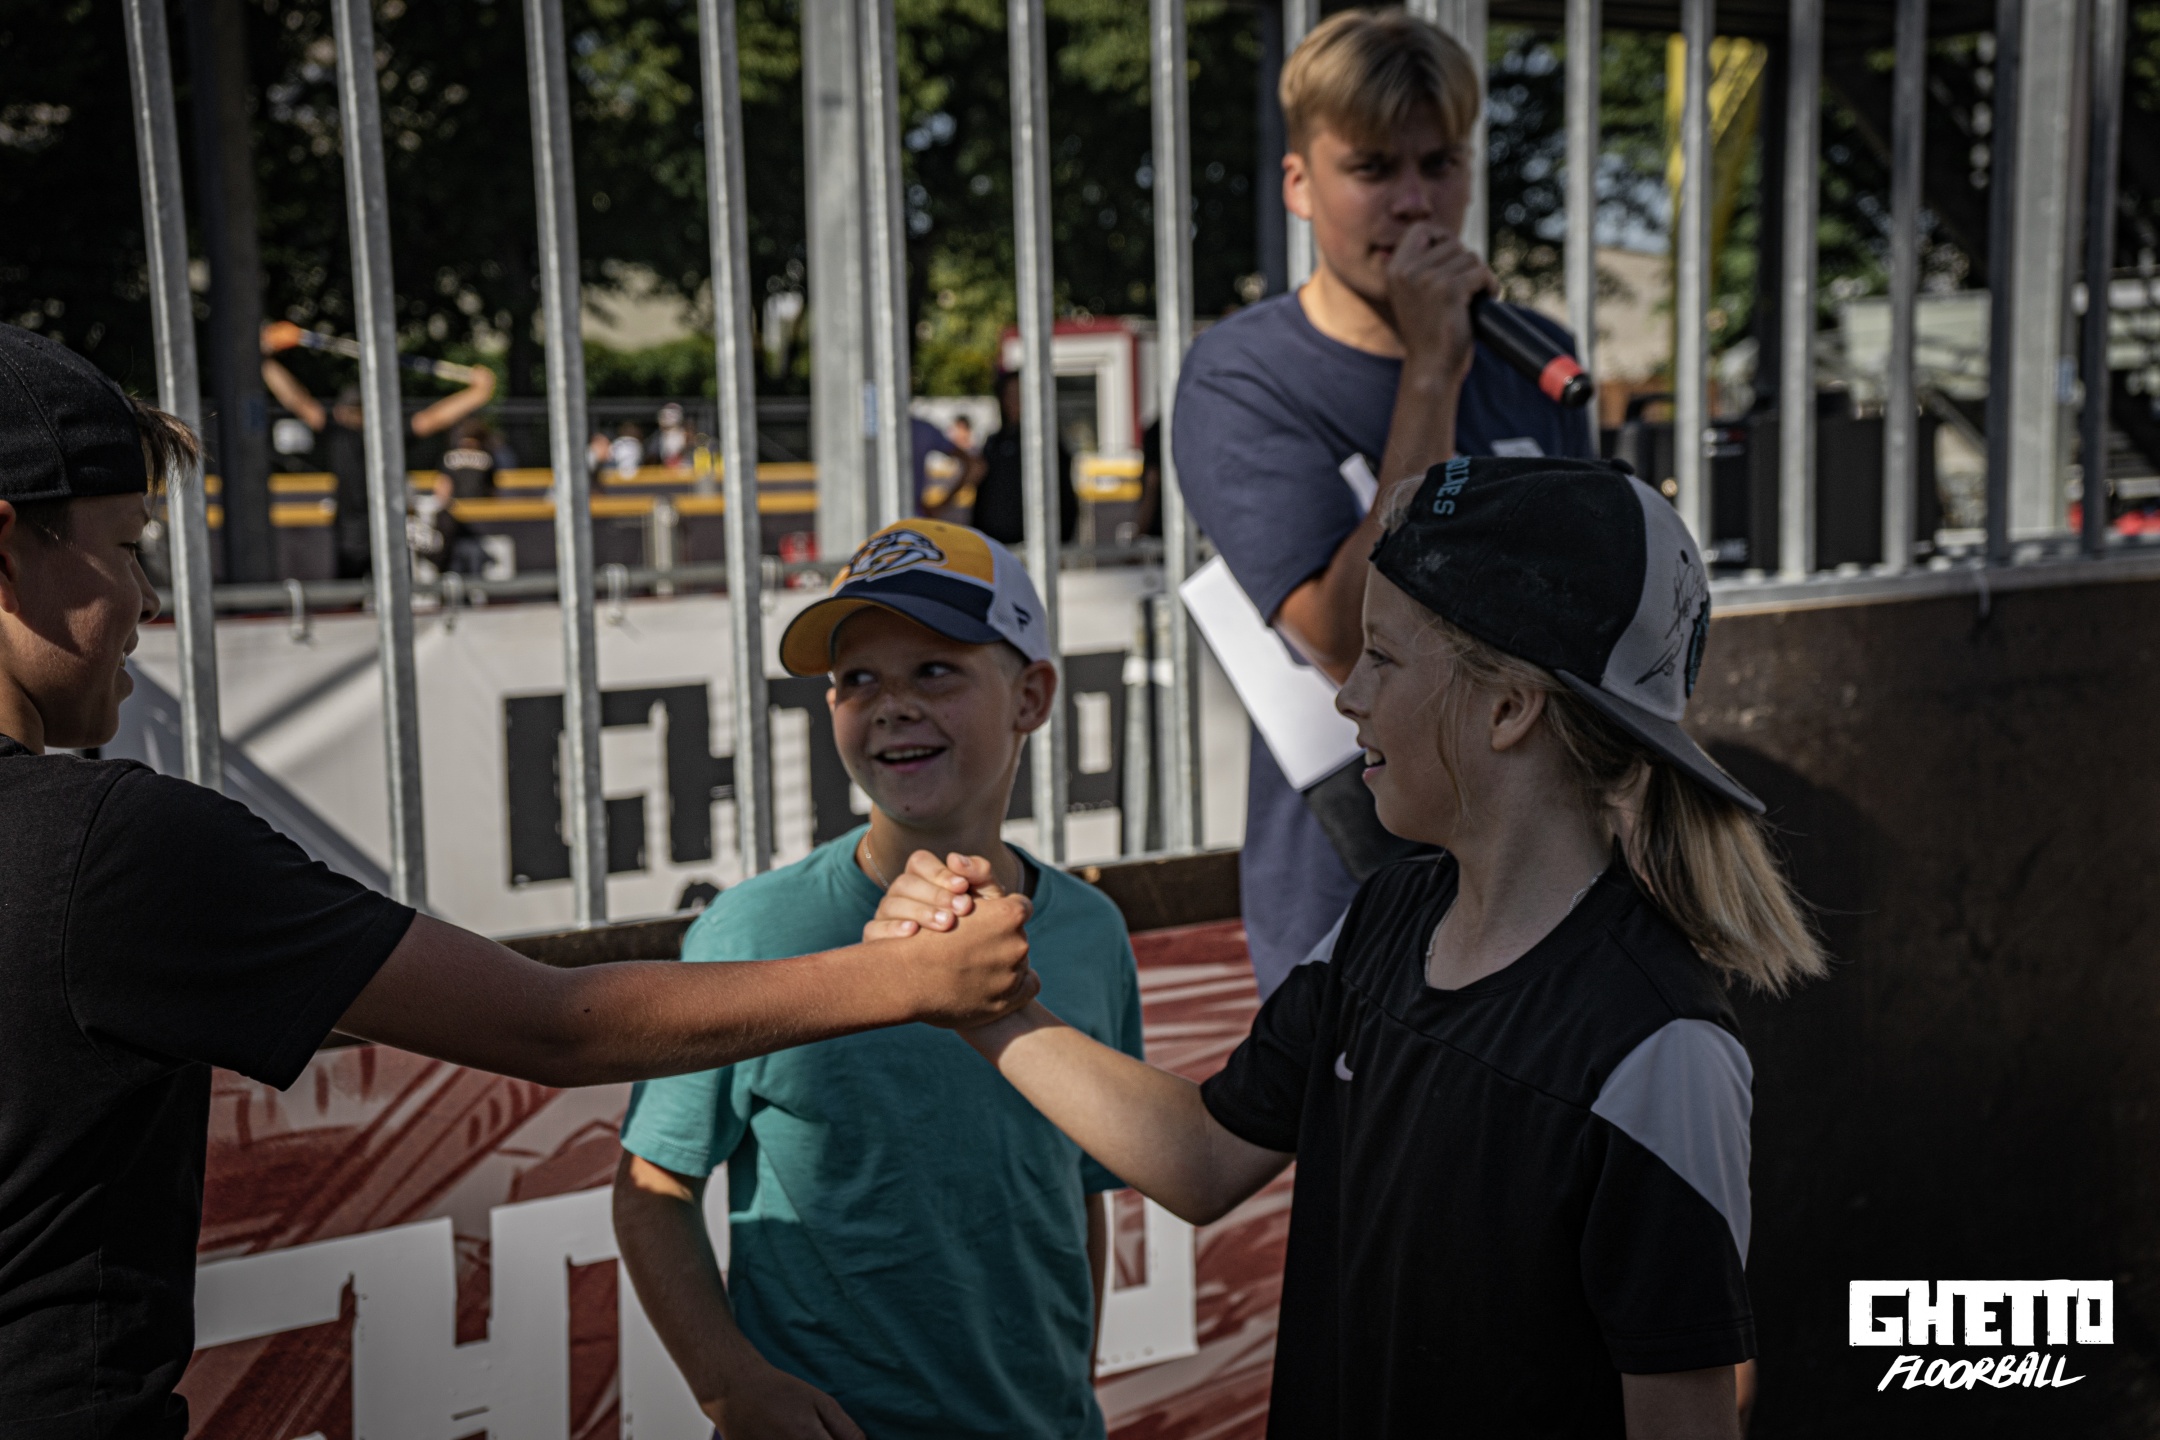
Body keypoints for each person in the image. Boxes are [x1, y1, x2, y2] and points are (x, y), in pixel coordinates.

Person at [0, 326, 1038, 1439]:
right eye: (127, 547)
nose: (149, 599)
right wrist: (908, 979)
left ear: (1033, 697)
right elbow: (556, 1027)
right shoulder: (109, 845)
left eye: (939, 669)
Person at [874, 457, 1825, 1438]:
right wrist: (982, 1004)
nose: (1348, 695)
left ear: (1508, 709)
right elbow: (1202, 1158)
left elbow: (1688, 1412)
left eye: (1383, 657)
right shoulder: (1389, 915)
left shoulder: (1659, 1044)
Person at [614, 518, 1144, 1440]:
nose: (892, 706)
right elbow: (652, 1184)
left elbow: (1081, 1194)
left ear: (1031, 696)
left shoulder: (1092, 933)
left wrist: (1070, 1397)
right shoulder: (751, 930)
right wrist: (730, 1385)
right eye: (857, 679)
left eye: (934, 669)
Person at [1172, 8, 1597, 997]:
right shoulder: (1244, 375)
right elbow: (1342, 636)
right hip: (1354, 902)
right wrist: (1430, 372)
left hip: (1540, 870)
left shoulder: (1531, 352)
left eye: (1440, 164)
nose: (1414, 203)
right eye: (1371, 169)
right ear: (1299, 185)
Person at [258, 325, 496, 580]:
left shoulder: (345, 431)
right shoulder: (381, 433)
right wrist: (477, 394)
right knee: (388, 592)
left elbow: (298, 401)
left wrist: (265, 361)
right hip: (379, 533)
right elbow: (433, 419)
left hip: (362, 535)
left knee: (362, 595)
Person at [970, 368, 1076, 546]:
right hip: (997, 545)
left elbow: (1064, 496)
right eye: (1009, 394)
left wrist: (1061, 541)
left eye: (1020, 395)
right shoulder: (994, 442)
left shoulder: (1046, 442)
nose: (1014, 401)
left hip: (1036, 545)